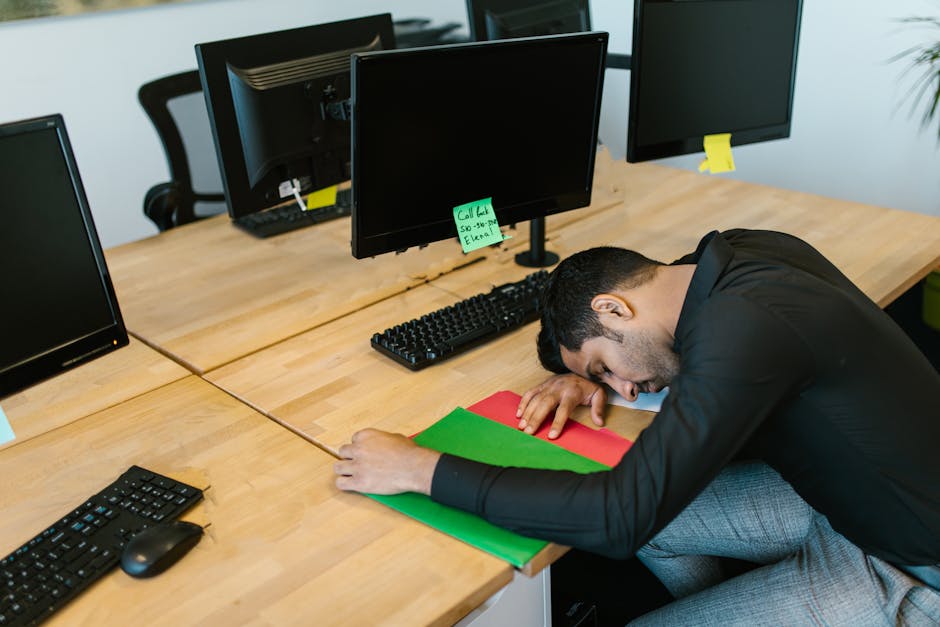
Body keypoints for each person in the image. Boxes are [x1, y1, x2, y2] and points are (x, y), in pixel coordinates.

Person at [335, 229, 940, 624]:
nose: (623, 390)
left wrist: (419, 467)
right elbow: (665, 331)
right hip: (845, 499)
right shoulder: (740, 256)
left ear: (613, 308)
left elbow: (618, 518)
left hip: (909, 570)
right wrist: (591, 373)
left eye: (605, 367)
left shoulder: (744, 331)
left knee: (630, 516)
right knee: (656, 510)